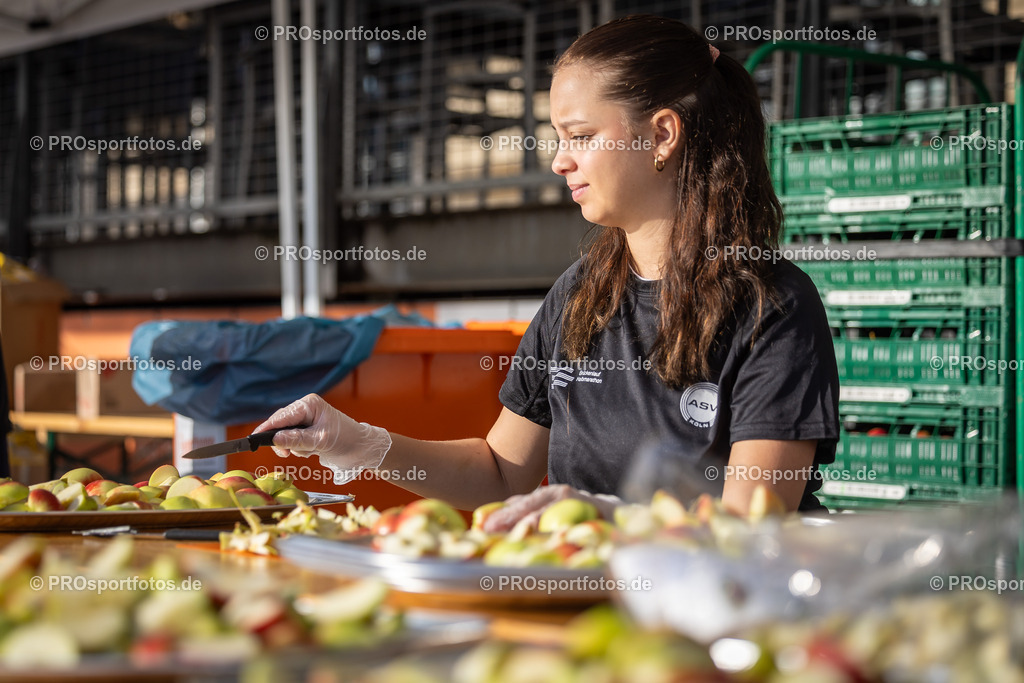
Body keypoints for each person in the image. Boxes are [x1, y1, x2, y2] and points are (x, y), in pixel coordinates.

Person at [255, 15, 840, 528]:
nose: (560, 160)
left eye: (581, 136)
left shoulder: (774, 306)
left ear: (661, 135)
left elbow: (750, 523)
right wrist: (360, 444)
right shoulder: (581, 293)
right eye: (559, 138)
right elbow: (500, 472)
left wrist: (611, 518)